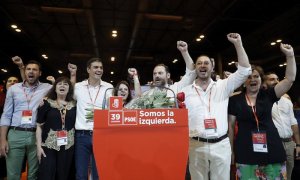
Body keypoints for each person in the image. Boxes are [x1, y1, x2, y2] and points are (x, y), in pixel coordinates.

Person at [181, 33, 251, 180]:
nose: (202, 65)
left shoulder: (223, 86)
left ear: (212, 68)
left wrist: (238, 44)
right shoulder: (185, 92)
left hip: (221, 144)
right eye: (199, 63)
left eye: (206, 63)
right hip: (196, 145)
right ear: (196, 69)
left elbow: (244, 70)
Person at [228, 43, 296, 179]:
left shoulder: (269, 95)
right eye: (249, 77)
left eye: (256, 76)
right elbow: (230, 127)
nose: (253, 79)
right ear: (243, 81)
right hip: (246, 153)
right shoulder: (235, 100)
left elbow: (289, 80)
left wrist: (290, 56)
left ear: (261, 79)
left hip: (273, 150)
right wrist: (231, 152)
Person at [0, 60, 52, 180]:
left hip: (36, 135)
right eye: (28, 69)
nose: (31, 72)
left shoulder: (47, 88)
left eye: (34, 70)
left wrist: (70, 76)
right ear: (25, 71)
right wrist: (2, 139)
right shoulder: (14, 89)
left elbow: (67, 87)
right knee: (13, 175)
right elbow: (6, 115)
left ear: (40, 73)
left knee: (33, 175)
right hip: (15, 134)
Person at [73, 57, 113, 180]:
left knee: (99, 173)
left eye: (101, 68)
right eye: (95, 67)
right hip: (81, 135)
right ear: (88, 69)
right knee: (81, 174)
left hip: (101, 134)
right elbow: (67, 101)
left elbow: (111, 110)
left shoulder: (109, 87)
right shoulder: (78, 87)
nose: (99, 70)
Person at [36, 76, 76, 180]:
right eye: (59, 83)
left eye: (66, 84)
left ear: (69, 89)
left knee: (63, 175)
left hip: (68, 147)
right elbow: (39, 126)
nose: (62, 85)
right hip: (48, 147)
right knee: (47, 174)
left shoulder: (75, 105)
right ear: (55, 87)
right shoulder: (46, 103)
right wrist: (38, 147)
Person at [263, 72, 300, 180]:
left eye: (277, 79)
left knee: (289, 174)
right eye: (271, 79)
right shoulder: (262, 100)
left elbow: (293, 122)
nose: (276, 81)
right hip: (274, 144)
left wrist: (298, 144)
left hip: (289, 143)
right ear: (264, 83)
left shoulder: (287, 101)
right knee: (274, 175)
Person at [0, 76, 20, 180]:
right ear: (5, 83)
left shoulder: (21, 97)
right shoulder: (1, 96)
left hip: (14, 134)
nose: (12, 83)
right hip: (2, 132)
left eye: (15, 81)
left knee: (13, 167)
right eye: (10, 81)